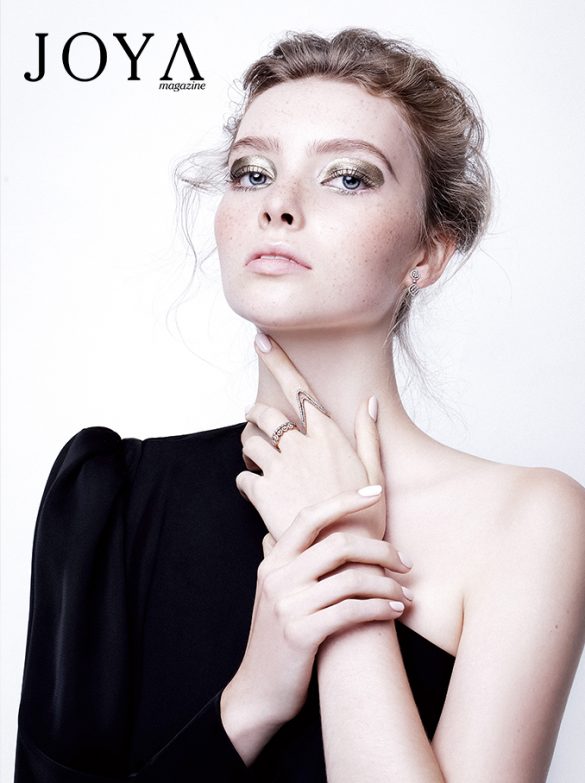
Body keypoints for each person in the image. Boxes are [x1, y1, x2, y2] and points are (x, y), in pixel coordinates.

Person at [14, 27, 585, 783]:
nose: (279, 205)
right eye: (252, 173)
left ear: (428, 252)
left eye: (347, 177)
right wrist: (252, 698)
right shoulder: (109, 499)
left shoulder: (530, 521)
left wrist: (341, 562)